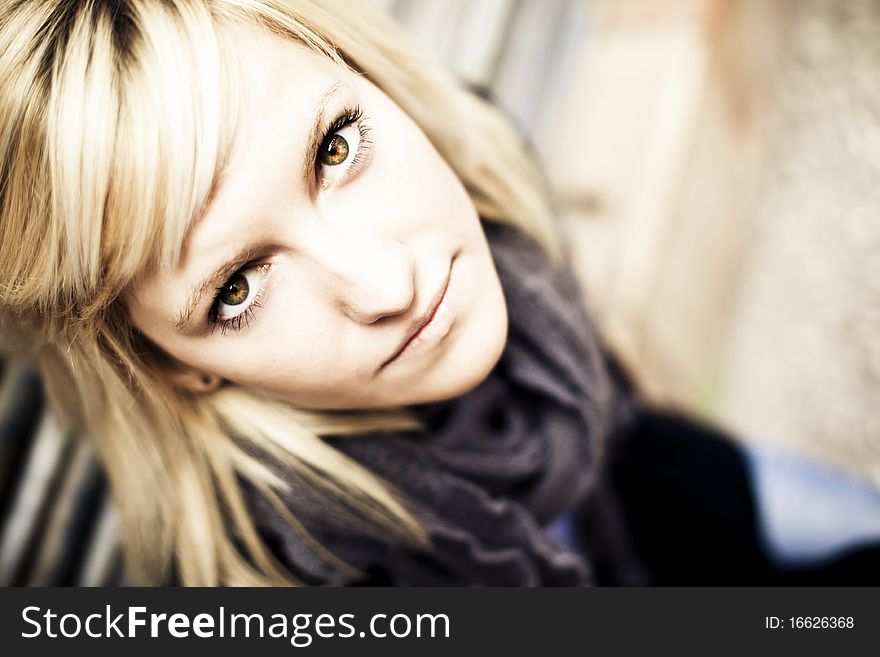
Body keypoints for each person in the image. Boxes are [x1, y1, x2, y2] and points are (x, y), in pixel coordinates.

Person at [0, 0, 877, 586]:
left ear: (369, 75)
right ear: (173, 364)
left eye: (334, 148)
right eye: (236, 287)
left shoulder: (482, 152)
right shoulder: (329, 576)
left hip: (664, 474)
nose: (386, 284)